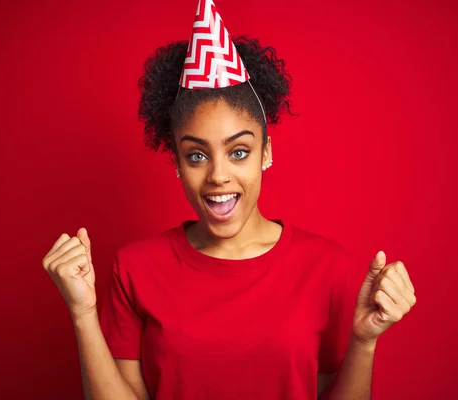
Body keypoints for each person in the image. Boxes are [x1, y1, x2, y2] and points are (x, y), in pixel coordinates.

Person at [42, 1, 417, 399]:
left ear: (266, 153)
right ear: (176, 161)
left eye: (238, 151)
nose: (218, 175)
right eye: (197, 155)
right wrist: (82, 315)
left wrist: (364, 342)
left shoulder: (327, 268)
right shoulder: (135, 268)